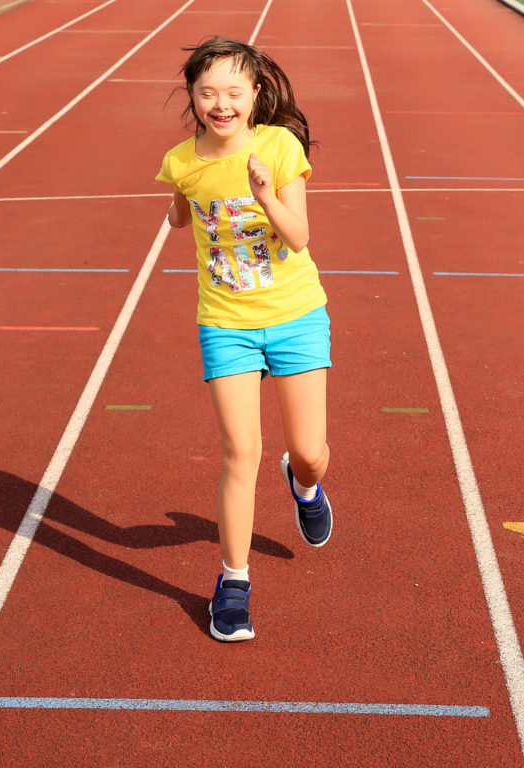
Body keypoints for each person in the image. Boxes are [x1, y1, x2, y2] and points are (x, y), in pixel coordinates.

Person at [155, 37, 333, 642]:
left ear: (257, 94)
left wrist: (262, 196)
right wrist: (179, 207)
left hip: (296, 315)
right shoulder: (181, 160)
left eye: (234, 92)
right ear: (194, 98)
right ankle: (233, 582)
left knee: (309, 450)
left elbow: (300, 236)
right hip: (224, 322)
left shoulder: (280, 147)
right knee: (240, 452)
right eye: (208, 93)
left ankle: (304, 484)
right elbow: (182, 211)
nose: (221, 103)